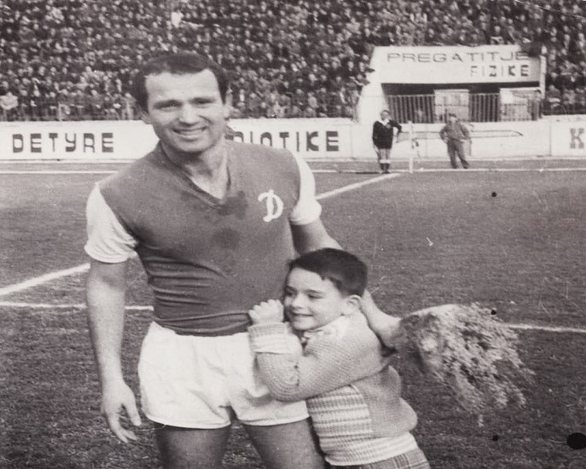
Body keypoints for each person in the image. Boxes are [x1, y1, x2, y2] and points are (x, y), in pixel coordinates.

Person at [84, 52, 399, 469]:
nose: (188, 117)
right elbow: (106, 284)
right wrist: (111, 379)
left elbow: (320, 248)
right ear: (143, 113)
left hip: (277, 347)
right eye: (168, 105)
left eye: (202, 101)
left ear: (227, 104)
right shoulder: (116, 193)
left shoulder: (283, 165)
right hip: (183, 358)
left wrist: (375, 316)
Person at [248, 248, 431, 469]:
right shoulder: (333, 330)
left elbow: (288, 387)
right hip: (361, 460)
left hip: (380, 460)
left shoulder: (349, 341)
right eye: (290, 293)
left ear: (350, 305)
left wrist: (268, 330)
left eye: (313, 296)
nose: (296, 303)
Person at [372, 110, 402, 174]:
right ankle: (383, 169)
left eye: (386, 115)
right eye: (383, 114)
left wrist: (397, 135)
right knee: (382, 155)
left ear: (388, 115)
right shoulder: (377, 123)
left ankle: (387, 169)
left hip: (388, 141)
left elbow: (399, 127)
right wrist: (374, 142)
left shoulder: (391, 122)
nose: (384, 116)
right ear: (381, 115)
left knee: (388, 155)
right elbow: (374, 133)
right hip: (380, 141)